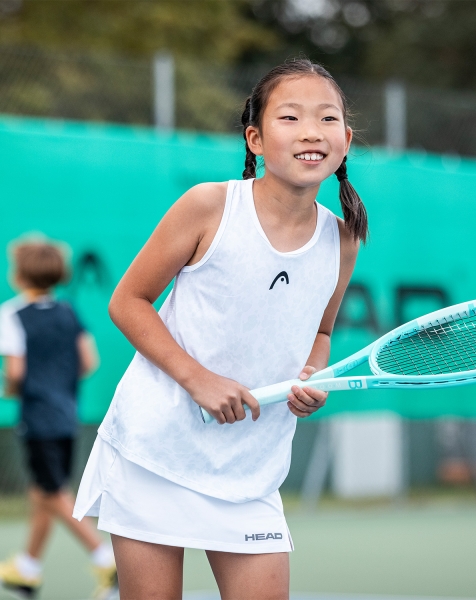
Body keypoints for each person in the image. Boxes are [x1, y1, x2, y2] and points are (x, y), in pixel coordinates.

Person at [73, 58, 368, 600]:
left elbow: (320, 334)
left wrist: (314, 374)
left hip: (252, 469)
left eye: (327, 119)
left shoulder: (344, 239)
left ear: (345, 140)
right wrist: (198, 379)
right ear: (255, 138)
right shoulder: (208, 206)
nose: (311, 133)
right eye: (290, 118)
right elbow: (128, 302)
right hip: (154, 450)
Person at [0, 240, 118, 600]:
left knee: (51, 493)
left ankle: (107, 559)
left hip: (38, 420)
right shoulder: (68, 311)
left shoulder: (12, 314)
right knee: (43, 492)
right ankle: (28, 568)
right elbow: (88, 361)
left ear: (18, 274)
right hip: (67, 417)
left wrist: (11, 389)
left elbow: (16, 372)